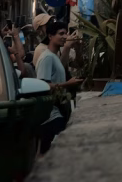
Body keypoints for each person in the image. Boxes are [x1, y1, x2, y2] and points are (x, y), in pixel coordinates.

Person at [36, 19, 83, 154]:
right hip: (50, 116)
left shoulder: (54, 56)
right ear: (50, 36)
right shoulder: (47, 58)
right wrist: (68, 84)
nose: (65, 37)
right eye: (61, 34)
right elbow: (43, 86)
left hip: (58, 111)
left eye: (66, 33)